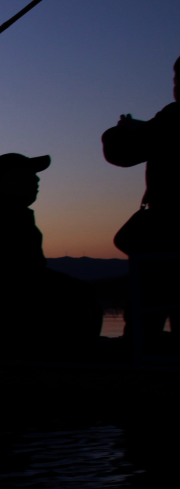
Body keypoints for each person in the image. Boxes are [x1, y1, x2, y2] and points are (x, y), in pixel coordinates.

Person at [0, 153, 102, 357]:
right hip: (2, 309)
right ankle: (78, 358)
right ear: (9, 180)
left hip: (3, 303)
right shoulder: (1, 216)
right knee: (83, 295)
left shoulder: (4, 211)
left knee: (82, 293)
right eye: (29, 174)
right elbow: (18, 275)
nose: (37, 179)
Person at [101, 56, 180, 344]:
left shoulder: (173, 117)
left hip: (169, 233)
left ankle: (141, 360)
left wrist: (117, 132)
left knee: (150, 305)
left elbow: (123, 153)